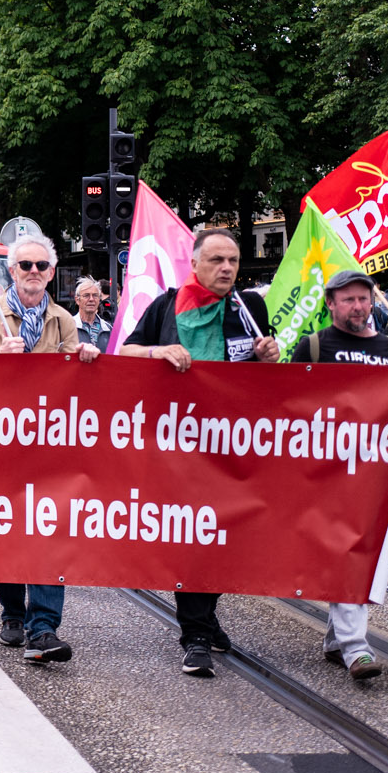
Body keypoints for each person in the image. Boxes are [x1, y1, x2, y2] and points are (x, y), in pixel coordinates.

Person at [119, 227, 279, 678]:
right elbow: (125, 352)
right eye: (216, 260)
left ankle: (206, 618)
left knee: (225, 538)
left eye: (233, 260)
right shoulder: (167, 306)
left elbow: (264, 372)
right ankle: (195, 637)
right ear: (194, 264)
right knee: (193, 537)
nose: (227, 268)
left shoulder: (250, 307)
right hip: (179, 445)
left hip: (232, 444)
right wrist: (157, 352)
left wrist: (269, 355)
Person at [291, 270, 388, 681]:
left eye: (364, 299)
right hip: (326, 471)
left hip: (374, 472)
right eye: (348, 300)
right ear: (331, 304)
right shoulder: (313, 346)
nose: (358, 307)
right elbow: (289, 404)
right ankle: (356, 647)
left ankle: (337, 640)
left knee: (360, 552)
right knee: (349, 550)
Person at [0, 235, 95, 665]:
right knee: (6, 530)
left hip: (48, 447)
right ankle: (13, 612)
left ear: (51, 273)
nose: (33, 272)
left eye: (40, 265)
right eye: (25, 265)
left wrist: (87, 360)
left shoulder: (63, 320)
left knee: (51, 532)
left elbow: (73, 384)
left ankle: (44, 628)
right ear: (12, 271)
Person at [71, 277, 113, 350]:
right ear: (77, 300)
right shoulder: (68, 327)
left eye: (95, 295)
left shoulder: (108, 329)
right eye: (86, 295)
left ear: (99, 299)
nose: (91, 299)